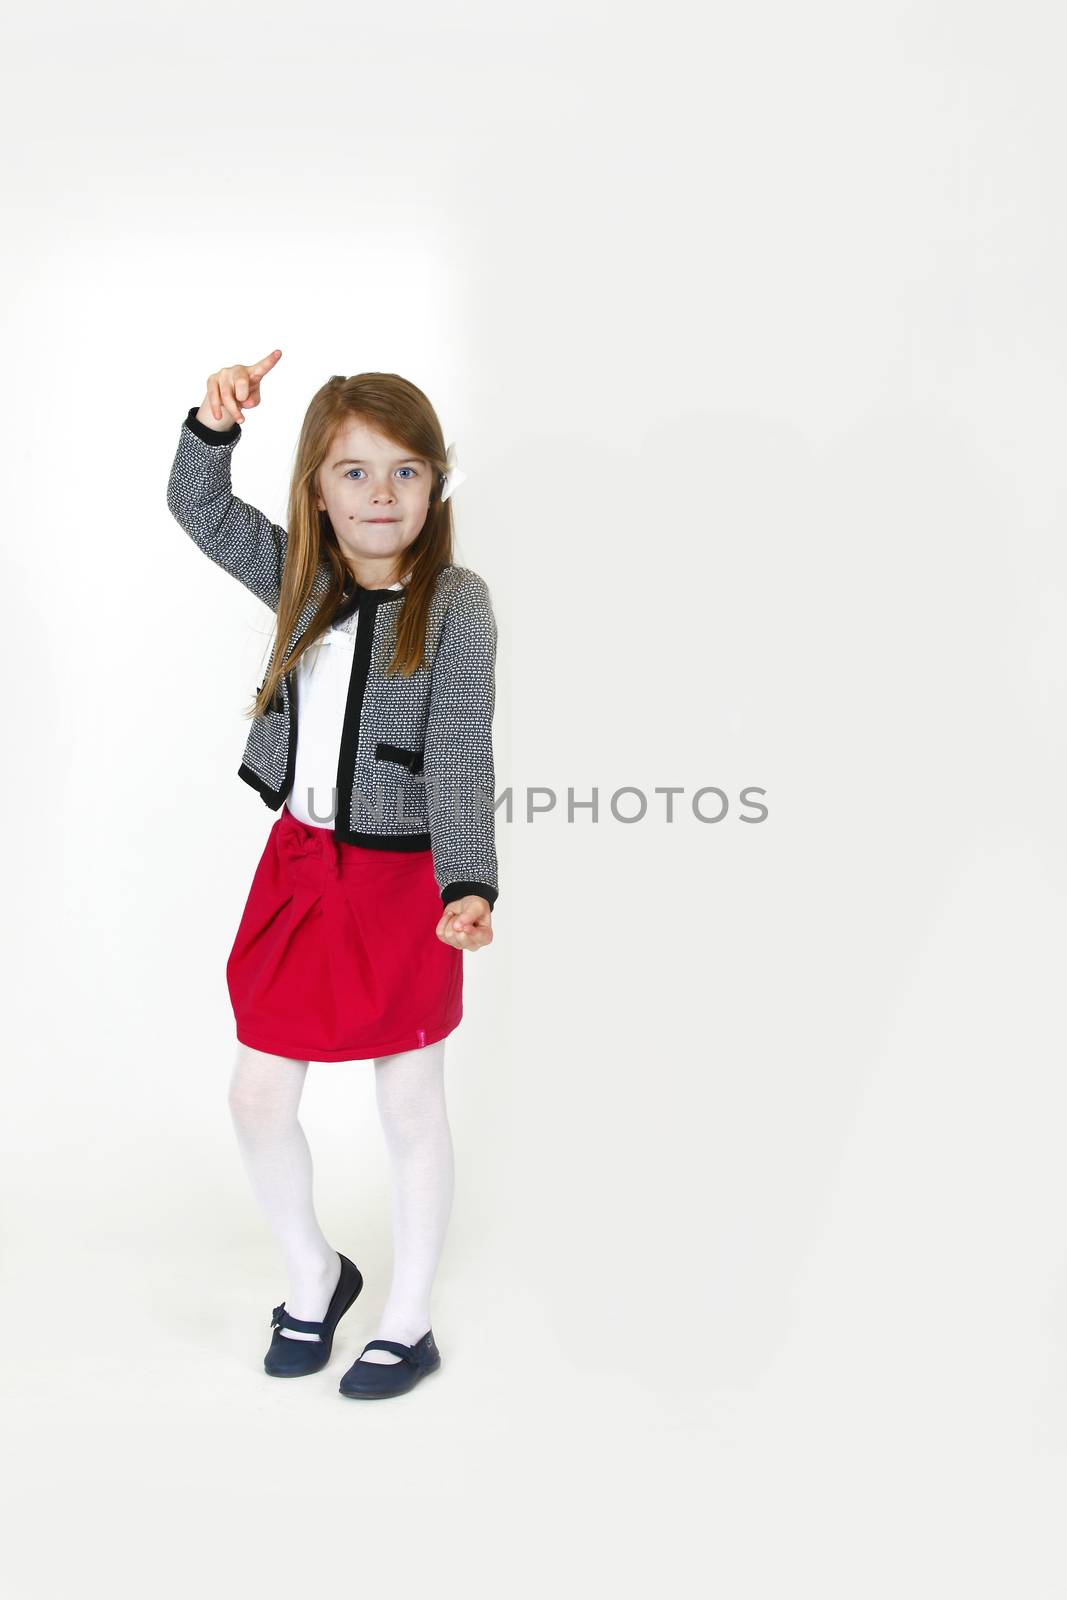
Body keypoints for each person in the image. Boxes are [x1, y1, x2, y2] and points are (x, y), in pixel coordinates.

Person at [165, 350, 499, 1399]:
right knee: (259, 1093)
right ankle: (315, 1276)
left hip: (406, 887)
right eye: (352, 472)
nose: (380, 493)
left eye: (404, 470)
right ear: (315, 485)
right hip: (301, 872)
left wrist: (468, 883)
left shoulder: (454, 603)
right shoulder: (300, 576)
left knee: (409, 1102)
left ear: (434, 484)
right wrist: (213, 426)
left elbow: (457, 749)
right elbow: (199, 507)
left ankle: (408, 1315)